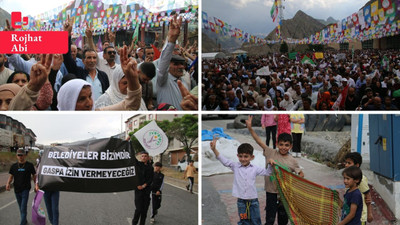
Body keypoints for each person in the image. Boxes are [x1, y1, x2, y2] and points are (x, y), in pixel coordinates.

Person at [245, 115, 304, 225]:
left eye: (287, 145)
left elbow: (300, 173)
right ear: (277, 144)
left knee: (283, 219)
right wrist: (250, 128)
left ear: (291, 146)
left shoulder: (292, 160)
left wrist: (292, 181)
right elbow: (258, 141)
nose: (283, 147)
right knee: (270, 219)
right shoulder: (270, 152)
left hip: (285, 194)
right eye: (281, 144)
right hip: (271, 192)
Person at [210, 138, 274, 225]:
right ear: (237, 156)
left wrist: (270, 164)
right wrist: (214, 149)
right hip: (241, 202)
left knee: (256, 221)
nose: (243, 159)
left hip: (253, 201)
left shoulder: (255, 169)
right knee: (244, 221)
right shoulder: (235, 166)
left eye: (246, 156)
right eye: (240, 156)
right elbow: (224, 161)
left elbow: (268, 172)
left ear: (252, 157)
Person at [156, 15, 190, 110]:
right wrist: (171, 41)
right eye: (175, 64)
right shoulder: (163, 80)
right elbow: (163, 63)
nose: (180, 67)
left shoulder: (184, 82)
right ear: (168, 65)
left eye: (181, 64)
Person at [6, 149, 37, 225]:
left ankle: (22, 223)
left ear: (25, 156)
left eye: (21, 155)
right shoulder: (13, 166)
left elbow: (34, 176)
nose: (20, 157)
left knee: (23, 207)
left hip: (25, 189)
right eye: (18, 155)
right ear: (16, 156)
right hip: (16, 189)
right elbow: (11, 176)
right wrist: (8, 184)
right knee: (21, 207)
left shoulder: (29, 165)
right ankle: (25, 220)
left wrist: (36, 185)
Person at [344, 153, 373, 224]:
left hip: (360, 217)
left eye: (349, 163)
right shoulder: (349, 179)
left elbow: (368, 197)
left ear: (357, 165)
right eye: (346, 162)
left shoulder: (361, 179)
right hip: (350, 215)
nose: (346, 165)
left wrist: (369, 214)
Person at [132, 151, 154, 225]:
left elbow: (151, 179)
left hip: (146, 191)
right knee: (138, 209)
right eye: (142, 156)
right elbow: (132, 156)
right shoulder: (137, 165)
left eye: (145, 156)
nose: (144, 157)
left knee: (144, 211)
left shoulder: (150, 168)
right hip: (138, 190)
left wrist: (144, 185)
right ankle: (134, 223)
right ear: (140, 157)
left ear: (148, 157)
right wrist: (128, 141)